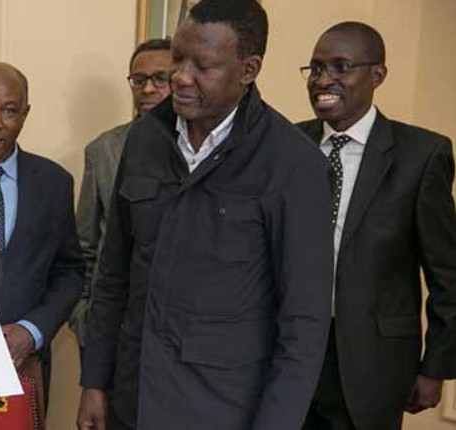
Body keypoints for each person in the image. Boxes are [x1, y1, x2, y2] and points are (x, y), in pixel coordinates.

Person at [77, 1, 334, 429]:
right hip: (132, 402)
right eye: (179, 58)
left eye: (204, 66)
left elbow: (303, 326)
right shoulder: (144, 139)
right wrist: (95, 382)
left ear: (248, 69)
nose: (180, 76)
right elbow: (113, 274)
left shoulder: (293, 164)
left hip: (223, 411)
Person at [298, 21, 456, 430]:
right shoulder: (289, 145)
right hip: (291, 357)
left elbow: (447, 273)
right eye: (315, 68)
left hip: (373, 366)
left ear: (377, 75)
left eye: (340, 67)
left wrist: (434, 367)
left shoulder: (422, 155)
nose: (323, 80)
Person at [0, 62, 84, 408]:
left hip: (25, 364)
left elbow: (69, 272)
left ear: (25, 114)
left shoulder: (55, 183)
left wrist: (33, 330)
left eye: (8, 110)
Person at [68, 38, 171, 350]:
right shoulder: (103, 151)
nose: (148, 89)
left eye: (160, 79)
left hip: (172, 328)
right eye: (139, 80)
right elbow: (84, 247)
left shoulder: (196, 150)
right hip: (110, 328)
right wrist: (83, 318)